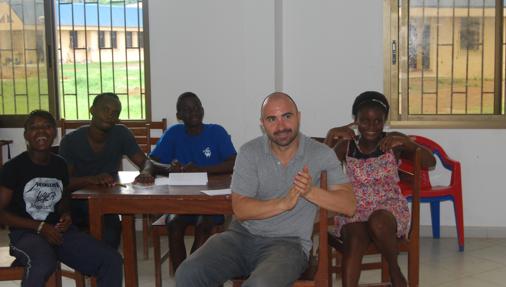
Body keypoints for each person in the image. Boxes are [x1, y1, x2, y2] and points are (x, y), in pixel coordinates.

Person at [175, 92, 356, 287]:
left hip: (289, 245)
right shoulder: (249, 152)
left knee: (259, 285)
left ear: (299, 117)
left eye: (287, 116)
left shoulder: (321, 154)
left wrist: (309, 191)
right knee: (188, 273)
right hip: (240, 237)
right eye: (272, 119)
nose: (281, 126)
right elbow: (241, 210)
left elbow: (349, 206)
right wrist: (284, 203)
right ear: (262, 123)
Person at [324, 91, 436, 287]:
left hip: (388, 208)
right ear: (355, 121)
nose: (371, 127)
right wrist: (331, 136)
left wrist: (408, 143)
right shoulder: (346, 146)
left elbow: (430, 161)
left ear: (385, 120)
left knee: (378, 221)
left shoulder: (393, 142)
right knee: (355, 239)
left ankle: (394, 270)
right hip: (354, 209)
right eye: (364, 121)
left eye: (377, 121)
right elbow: (319, 171)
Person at [0, 110, 123, 287]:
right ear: (26, 135)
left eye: (47, 127)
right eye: (34, 127)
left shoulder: (59, 164)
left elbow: (63, 196)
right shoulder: (13, 167)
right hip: (25, 234)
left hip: (60, 232)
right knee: (42, 263)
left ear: (54, 133)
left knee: (111, 260)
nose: (41, 131)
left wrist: (66, 214)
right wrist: (40, 227)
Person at [146, 91, 237, 271]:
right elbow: (152, 160)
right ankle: (184, 277)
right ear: (179, 116)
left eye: (196, 107)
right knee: (173, 224)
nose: (193, 112)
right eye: (187, 110)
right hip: (182, 202)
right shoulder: (174, 133)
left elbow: (234, 162)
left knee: (204, 226)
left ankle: (192, 275)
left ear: (203, 110)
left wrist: (202, 169)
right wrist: (168, 166)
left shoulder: (216, 131)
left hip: (210, 202)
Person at [59, 92, 154, 249]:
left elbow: (145, 162)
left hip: (106, 203)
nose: (110, 115)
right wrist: (92, 179)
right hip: (76, 203)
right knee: (103, 230)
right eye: (105, 109)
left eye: (115, 113)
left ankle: (104, 266)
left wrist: (145, 172)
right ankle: (99, 265)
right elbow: (63, 183)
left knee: (111, 229)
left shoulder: (121, 133)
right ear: (92, 110)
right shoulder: (70, 141)